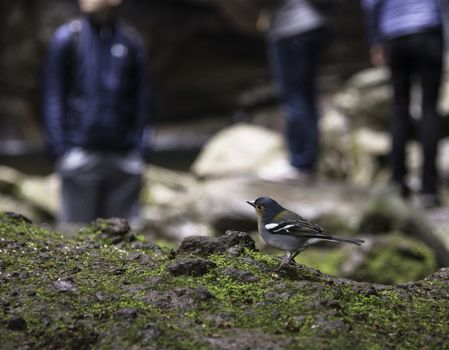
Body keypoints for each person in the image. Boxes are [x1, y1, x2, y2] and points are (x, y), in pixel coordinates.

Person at [42, 0, 153, 225]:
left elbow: (143, 103)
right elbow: (53, 97)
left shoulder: (131, 42)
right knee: (74, 239)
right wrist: (60, 152)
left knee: (126, 242)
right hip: (78, 156)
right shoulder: (67, 38)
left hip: (123, 160)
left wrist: (140, 153)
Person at [362, 0, 445, 207]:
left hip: (395, 36)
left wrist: (376, 39)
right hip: (428, 32)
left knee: (399, 110)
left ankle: (398, 186)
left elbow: (371, 5)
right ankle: (429, 190)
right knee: (429, 109)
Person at [258, 0, 330, 183]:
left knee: (294, 97)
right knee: (307, 96)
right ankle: (309, 161)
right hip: (316, 24)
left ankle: (299, 163)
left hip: (290, 27)